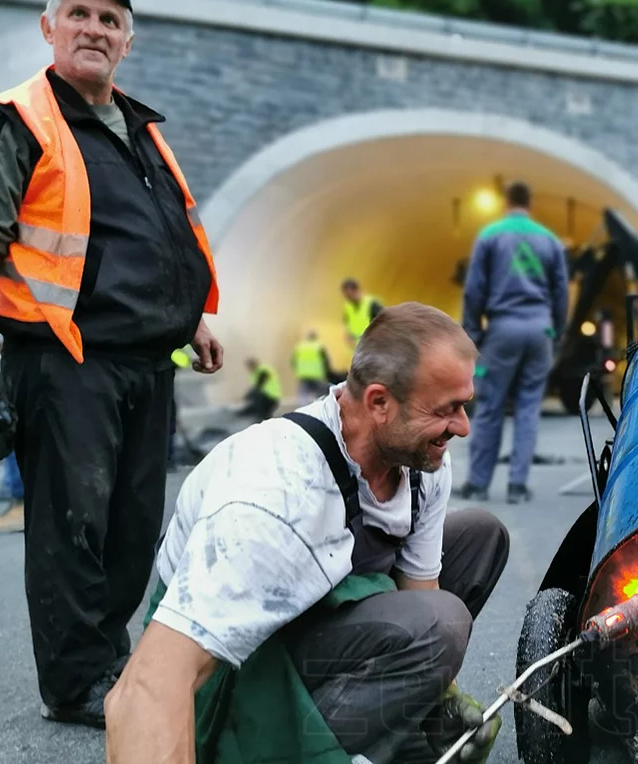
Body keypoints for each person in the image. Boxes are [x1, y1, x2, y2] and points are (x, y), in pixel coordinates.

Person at [0, 0, 223, 728]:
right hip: (65, 358)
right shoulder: (20, 120)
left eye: (110, 19)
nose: (94, 28)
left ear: (127, 38)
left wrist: (189, 318)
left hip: (141, 361)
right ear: (49, 27)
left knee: (133, 525)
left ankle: (110, 660)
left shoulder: (137, 127)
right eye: (79, 14)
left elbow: (155, 240)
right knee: (74, 526)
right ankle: (76, 684)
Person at [104, 302, 509, 764]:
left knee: (480, 537)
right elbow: (148, 687)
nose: (462, 426)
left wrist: (441, 696)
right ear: (378, 402)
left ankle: (377, 722)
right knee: (441, 620)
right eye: (447, 409)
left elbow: (418, 588)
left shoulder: (423, 461)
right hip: (234, 673)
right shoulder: (274, 493)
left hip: (312, 614)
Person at [458, 180, 568, 505]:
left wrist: (472, 334)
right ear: (530, 203)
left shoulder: (490, 236)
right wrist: (556, 331)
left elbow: (474, 289)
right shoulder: (549, 240)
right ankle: (517, 486)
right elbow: (561, 291)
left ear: (506, 203)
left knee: (490, 406)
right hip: (539, 330)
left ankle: (478, 484)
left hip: (502, 329)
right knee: (528, 408)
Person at [342, 277, 384, 349]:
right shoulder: (348, 306)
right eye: (346, 296)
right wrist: (348, 337)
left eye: (349, 295)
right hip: (357, 348)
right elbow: (347, 323)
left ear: (357, 291)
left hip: (372, 347)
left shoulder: (372, 304)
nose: (348, 298)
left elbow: (384, 323)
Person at [292, 327, 332, 400]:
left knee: (303, 397)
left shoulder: (300, 347)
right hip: (317, 376)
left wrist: (298, 371)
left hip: (303, 376)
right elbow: (326, 362)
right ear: (315, 337)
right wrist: (328, 373)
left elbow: (293, 362)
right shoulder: (319, 347)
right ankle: (317, 409)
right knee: (320, 396)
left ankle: (302, 410)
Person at [239, 356, 282, 422]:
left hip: (270, 397)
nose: (249, 369)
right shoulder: (255, 373)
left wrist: (247, 396)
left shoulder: (263, 370)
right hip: (266, 397)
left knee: (262, 415)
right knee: (262, 415)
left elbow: (259, 385)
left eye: (250, 367)